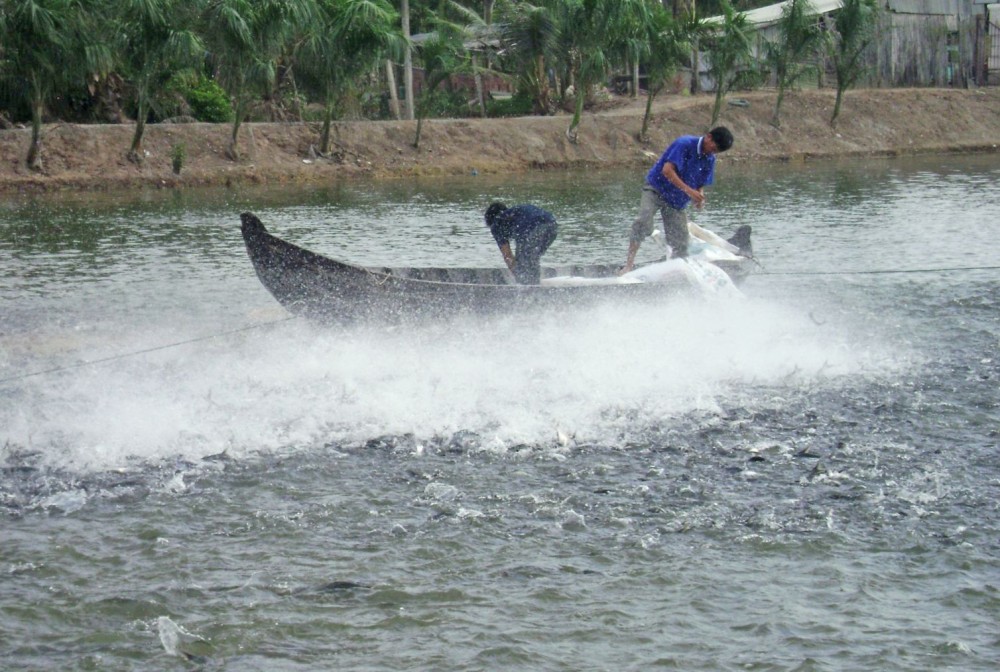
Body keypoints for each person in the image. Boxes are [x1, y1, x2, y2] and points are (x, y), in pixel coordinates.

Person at [620, 126, 734, 274]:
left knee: (680, 243)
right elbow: (667, 171)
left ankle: (674, 272)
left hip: (676, 199)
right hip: (656, 188)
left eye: (717, 151)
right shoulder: (684, 144)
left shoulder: (710, 159)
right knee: (643, 221)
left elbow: (700, 184)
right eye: (714, 147)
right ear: (708, 137)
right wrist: (690, 191)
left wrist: (699, 197)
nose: (713, 152)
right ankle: (628, 265)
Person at [484, 202, 558, 285]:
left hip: (532, 228)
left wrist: (517, 275)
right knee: (531, 258)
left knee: (523, 262)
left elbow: (508, 256)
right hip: (552, 225)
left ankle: (527, 288)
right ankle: (534, 285)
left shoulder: (496, 224)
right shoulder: (514, 213)